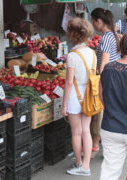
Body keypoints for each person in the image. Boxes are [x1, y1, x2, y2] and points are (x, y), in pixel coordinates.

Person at [62, 17, 95, 176]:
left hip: (75, 95)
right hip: (89, 94)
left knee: (76, 132)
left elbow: (68, 83)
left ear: (73, 34)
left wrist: (64, 105)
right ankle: (86, 165)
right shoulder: (92, 53)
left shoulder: (72, 55)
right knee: (86, 131)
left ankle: (79, 163)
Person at [90, 8, 121, 152]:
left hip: (108, 80)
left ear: (100, 21)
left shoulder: (107, 37)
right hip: (115, 78)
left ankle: (98, 144)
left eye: (93, 21)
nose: (93, 24)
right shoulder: (114, 35)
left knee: (102, 114)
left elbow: (105, 63)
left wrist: (100, 83)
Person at [99, 33, 127, 180]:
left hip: (111, 127)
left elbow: (101, 96)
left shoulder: (108, 69)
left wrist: (112, 109)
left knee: (109, 172)